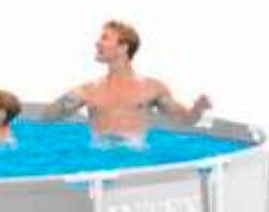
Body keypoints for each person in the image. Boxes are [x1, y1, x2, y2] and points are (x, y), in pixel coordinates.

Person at [42, 20, 212, 143]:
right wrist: (66, 103)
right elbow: (48, 117)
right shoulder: (87, 90)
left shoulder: (152, 88)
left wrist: (198, 109)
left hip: (134, 160)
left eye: (105, 38)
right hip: (98, 159)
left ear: (123, 48)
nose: (97, 43)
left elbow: (184, 119)